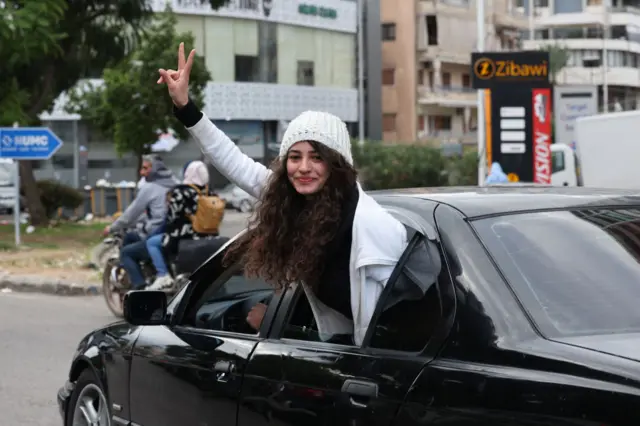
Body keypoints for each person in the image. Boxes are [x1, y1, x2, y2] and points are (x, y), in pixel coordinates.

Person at [157, 43, 408, 345]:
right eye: (294, 156)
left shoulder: (372, 227)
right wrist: (185, 107)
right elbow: (234, 162)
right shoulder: (296, 202)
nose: (304, 167)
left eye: (317, 157)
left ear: (337, 165)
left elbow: (394, 326)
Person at [107, 155, 177, 289]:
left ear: (154, 169)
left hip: (158, 235)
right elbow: (154, 213)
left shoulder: (150, 187)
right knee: (130, 236)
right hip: (171, 232)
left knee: (126, 252)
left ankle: (139, 286)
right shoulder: (174, 183)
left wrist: (112, 228)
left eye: (145, 168)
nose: (142, 172)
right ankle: (148, 271)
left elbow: (131, 214)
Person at [146, 160, 215, 291]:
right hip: (207, 235)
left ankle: (163, 275)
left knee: (152, 242)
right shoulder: (209, 192)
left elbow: (171, 217)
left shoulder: (180, 191)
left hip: (181, 237)